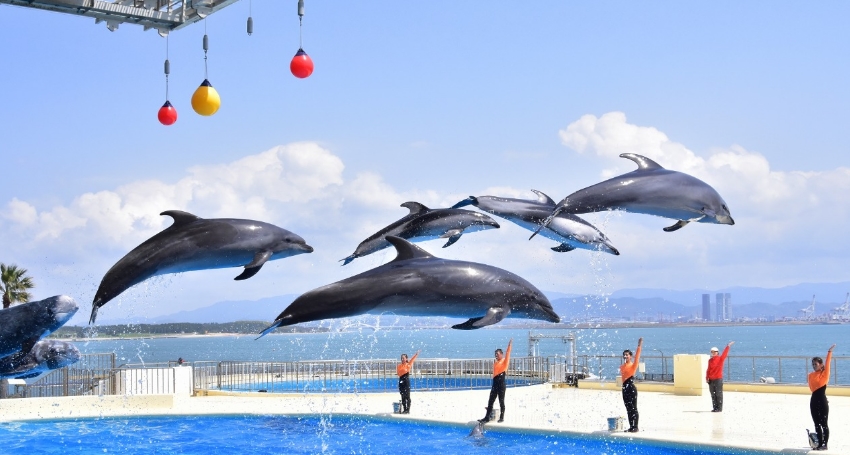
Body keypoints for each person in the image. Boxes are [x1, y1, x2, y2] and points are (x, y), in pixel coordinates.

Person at [808, 344, 835, 451]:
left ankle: (825, 444)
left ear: (821, 365)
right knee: (816, 423)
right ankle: (819, 443)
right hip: (813, 400)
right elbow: (812, 388)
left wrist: (829, 352)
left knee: (824, 424)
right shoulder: (810, 375)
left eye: (816, 364)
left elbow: (828, 363)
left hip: (822, 401)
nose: (814, 366)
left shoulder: (824, 374)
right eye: (813, 364)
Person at [479, 339, 512, 423]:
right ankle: (487, 417)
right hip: (495, 384)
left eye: (497, 354)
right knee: (490, 401)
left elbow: (508, 353)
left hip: (501, 384)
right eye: (495, 354)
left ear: (501, 354)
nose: (496, 355)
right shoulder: (495, 363)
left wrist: (509, 346)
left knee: (501, 401)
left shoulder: (504, 361)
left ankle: (501, 417)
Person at [620, 337, 642, 433]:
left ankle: (635, 427)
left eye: (627, 355)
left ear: (630, 356)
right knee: (628, 408)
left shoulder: (633, 365)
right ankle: (631, 426)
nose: (625, 356)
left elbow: (637, 357)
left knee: (633, 408)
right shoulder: (622, 367)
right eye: (624, 355)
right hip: (624, 388)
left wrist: (639, 346)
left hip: (631, 388)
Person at [705, 341, 734, 412]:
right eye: (712, 352)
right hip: (711, 380)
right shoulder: (710, 360)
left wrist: (728, 346)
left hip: (718, 379)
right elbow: (708, 369)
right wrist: (707, 377)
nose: (713, 353)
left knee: (718, 394)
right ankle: (715, 407)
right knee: (713, 394)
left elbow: (725, 354)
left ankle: (719, 408)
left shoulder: (720, 359)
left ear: (717, 352)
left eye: (714, 352)